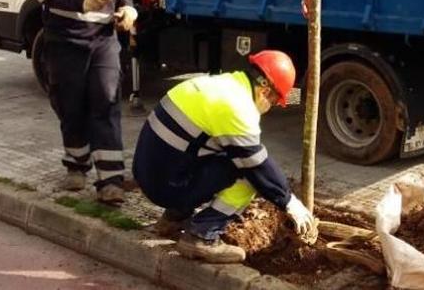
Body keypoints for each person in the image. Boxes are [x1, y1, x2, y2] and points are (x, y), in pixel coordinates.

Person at [132, 49, 317, 263]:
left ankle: (174, 218)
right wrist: (290, 202)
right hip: (165, 186)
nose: (270, 107)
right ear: (265, 90)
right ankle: (202, 236)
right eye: (275, 101)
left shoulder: (220, 84)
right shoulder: (238, 109)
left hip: (150, 172)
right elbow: (256, 164)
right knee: (248, 177)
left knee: (217, 149)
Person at [32, 0, 139, 205]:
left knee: (106, 104)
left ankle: (111, 182)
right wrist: (82, 2)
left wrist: (128, 7)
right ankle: (76, 168)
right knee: (71, 105)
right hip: (66, 40)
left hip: (104, 40)